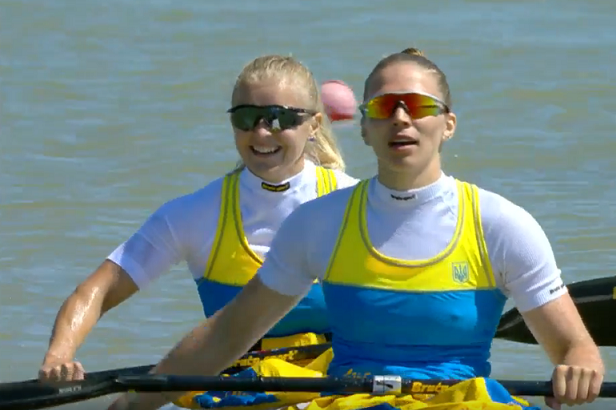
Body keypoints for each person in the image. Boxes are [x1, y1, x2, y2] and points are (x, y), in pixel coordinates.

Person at [107, 49, 604, 410]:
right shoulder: (319, 223)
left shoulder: (501, 224)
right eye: (384, 108)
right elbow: (229, 334)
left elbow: (573, 348)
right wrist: (135, 403)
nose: (401, 119)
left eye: (418, 106)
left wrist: (581, 365)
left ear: (448, 124)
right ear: (363, 127)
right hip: (348, 399)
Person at [38, 54, 359, 382]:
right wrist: (59, 356)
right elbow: (99, 290)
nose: (261, 133)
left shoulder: (356, 203)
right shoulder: (199, 212)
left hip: (339, 382)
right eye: (246, 118)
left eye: (278, 118)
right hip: (235, 387)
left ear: (314, 125)